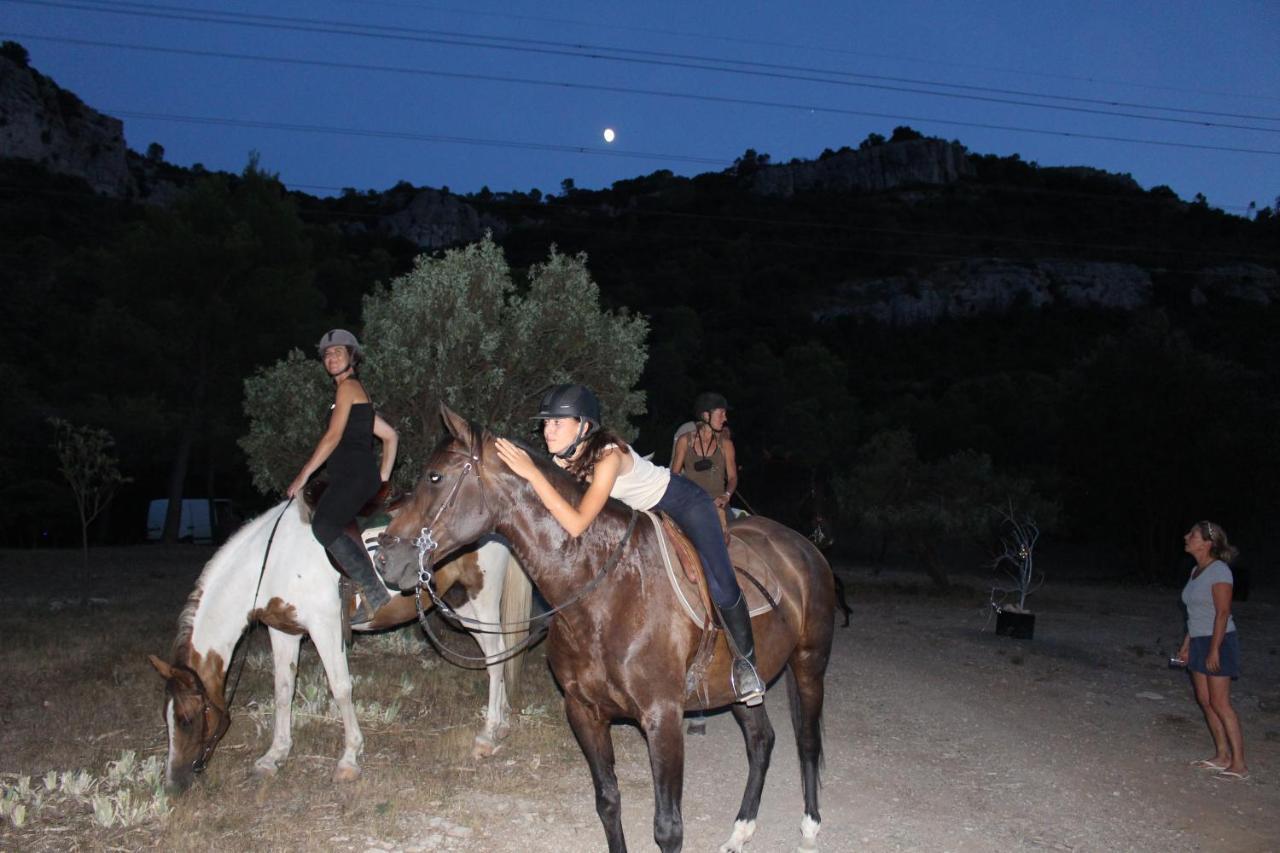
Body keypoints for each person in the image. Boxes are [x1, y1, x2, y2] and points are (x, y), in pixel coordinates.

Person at [494, 384, 766, 705]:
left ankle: (747, 664)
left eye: (556, 423)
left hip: (682, 502)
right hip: (639, 512)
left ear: (583, 425)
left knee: (719, 580)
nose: (547, 430)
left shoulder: (609, 454)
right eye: (545, 423)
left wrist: (532, 473)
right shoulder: (564, 455)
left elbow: (577, 522)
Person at [287, 329, 399, 626]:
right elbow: (390, 436)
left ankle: (374, 591)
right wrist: (383, 477)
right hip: (357, 477)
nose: (331, 356)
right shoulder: (353, 395)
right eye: (326, 354)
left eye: (338, 351)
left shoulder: (348, 388)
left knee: (323, 525)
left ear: (352, 357)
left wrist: (302, 476)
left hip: (354, 476)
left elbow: (333, 437)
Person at [1175, 520, 1248, 781]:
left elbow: (1222, 612)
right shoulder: (1196, 571)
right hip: (1198, 639)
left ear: (1208, 542)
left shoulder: (1219, 571)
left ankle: (1239, 764)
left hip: (1219, 640)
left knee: (1220, 702)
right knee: (1205, 702)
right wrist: (1187, 645)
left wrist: (1214, 650)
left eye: (1192, 534)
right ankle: (1222, 755)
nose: (1186, 537)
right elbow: (1194, 614)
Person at [671, 392, 738, 533]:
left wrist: (726, 495)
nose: (725, 419)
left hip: (718, 504)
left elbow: (732, 478)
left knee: (733, 539)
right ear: (706, 415)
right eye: (721, 414)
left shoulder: (726, 444)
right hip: (691, 503)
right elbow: (674, 475)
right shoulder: (684, 441)